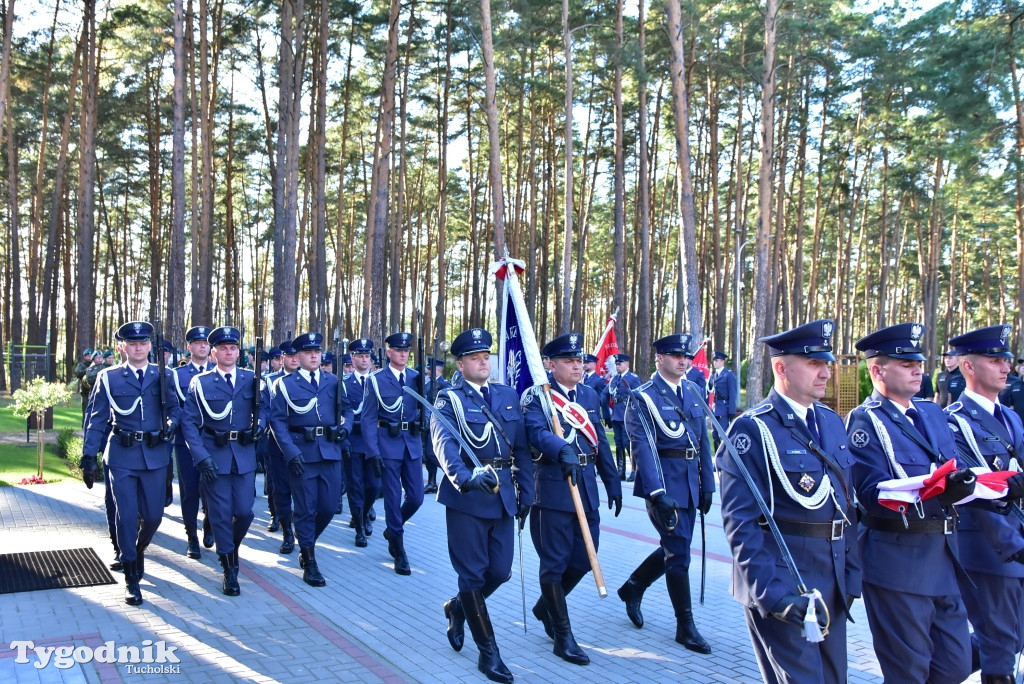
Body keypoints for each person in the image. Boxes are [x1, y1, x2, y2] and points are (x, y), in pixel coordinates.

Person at [717, 319, 860, 683]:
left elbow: (847, 505)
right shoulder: (753, 429)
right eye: (814, 363)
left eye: (826, 364)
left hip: (832, 581)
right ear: (781, 367)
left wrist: (852, 574)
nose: (826, 372)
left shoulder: (830, 422)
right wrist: (773, 596)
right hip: (784, 581)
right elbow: (740, 524)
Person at [847, 322, 973, 684]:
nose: (918, 368)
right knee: (908, 672)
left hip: (943, 557)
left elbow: (955, 467)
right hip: (899, 560)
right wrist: (929, 487)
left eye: (919, 362)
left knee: (955, 666)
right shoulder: (865, 420)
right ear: (877, 370)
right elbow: (871, 493)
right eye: (905, 364)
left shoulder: (932, 413)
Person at [432, 328, 534, 683]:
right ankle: (488, 653)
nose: (483, 362)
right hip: (468, 500)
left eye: (486, 356)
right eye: (475, 358)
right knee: (472, 575)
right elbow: (443, 444)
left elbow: (519, 447)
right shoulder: (449, 399)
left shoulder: (507, 395)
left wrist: (528, 489)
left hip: (504, 495)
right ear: (460, 365)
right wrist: (464, 478)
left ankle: (459, 607)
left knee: (501, 572)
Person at [523, 332, 621, 666]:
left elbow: (600, 444)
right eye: (569, 361)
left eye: (579, 360)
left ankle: (545, 606)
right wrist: (560, 447)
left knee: (582, 560)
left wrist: (612, 481)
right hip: (552, 490)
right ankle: (562, 635)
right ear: (550, 364)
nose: (577, 366)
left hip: (586, 490)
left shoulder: (590, 396)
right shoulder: (539, 397)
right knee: (554, 564)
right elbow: (536, 433)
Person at [618, 333, 714, 654]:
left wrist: (708, 484)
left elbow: (703, 443)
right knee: (678, 551)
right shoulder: (643, 397)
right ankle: (684, 626)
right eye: (675, 356)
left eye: (686, 356)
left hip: (689, 482)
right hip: (663, 484)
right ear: (659, 358)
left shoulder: (693, 391)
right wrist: (658, 492)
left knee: (677, 546)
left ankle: (634, 586)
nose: (683, 361)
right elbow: (643, 447)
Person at [945, 324, 1024, 683]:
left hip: (1018, 540)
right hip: (990, 550)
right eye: (995, 360)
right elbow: (975, 492)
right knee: (1001, 643)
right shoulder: (954, 422)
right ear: (969, 366)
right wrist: (1013, 545)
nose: (1005, 367)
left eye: (1005, 359)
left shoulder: (1010, 417)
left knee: (1013, 636)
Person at [80, 321, 180, 606]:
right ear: (122, 347)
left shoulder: (165, 375)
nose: (138, 347)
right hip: (122, 456)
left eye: (143, 343)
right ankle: (131, 575)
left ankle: (137, 550)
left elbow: (175, 407)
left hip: (154, 454)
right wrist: (89, 456)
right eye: (132, 343)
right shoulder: (109, 377)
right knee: (126, 515)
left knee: (152, 517)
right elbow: (96, 418)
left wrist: (173, 423)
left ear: (150, 346)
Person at [180, 326, 266, 596]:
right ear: (214, 352)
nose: (229, 352)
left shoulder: (252, 379)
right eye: (223, 349)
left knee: (244, 512)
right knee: (219, 514)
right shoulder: (201, 382)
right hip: (213, 454)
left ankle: (229, 545)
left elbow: (265, 409)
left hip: (242, 454)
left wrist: (260, 425)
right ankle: (229, 567)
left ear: (238, 352)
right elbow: (189, 423)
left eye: (233, 348)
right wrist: (200, 457)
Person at [269, 332, 351, 587]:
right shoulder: (285, 384)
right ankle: (309, 559)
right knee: (305, 508)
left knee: (327, 507)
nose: (314, 356)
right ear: (298, 356)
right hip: (302, 452)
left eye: (317, 352)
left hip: (329, 450)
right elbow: (277, 422)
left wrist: (345, 428)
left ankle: (306, 540)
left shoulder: (333, 381)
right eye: (308, 352)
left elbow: (347, 409)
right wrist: (290, 452)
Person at [362, 331, 424, 575]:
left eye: (407, 350)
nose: (404, 354)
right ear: (389, 353)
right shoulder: (376, 380)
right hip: (387, 444)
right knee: (391, 498)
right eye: (399, 350)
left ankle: (392, 527)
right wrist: (372, 452)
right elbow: (368, 419)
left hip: (412, 444)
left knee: (417, 497)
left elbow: (423, 408)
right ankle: (398, 549)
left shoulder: (416, 378)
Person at [172, 325, 216, 558]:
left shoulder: (219, 373)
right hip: (186, 443)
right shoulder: (177, 376)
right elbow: (175, 408)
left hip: (213, 442)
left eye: (206, 343)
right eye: (197, 343)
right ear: (189, 347)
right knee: (189, 491)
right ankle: (191, 536)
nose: (202, 346)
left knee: (211, 488)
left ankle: (209, 521)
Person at [341, 338, 381, 547]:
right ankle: (359, 528)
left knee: (374, 486)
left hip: (373, 443)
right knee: (355, 486)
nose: (364, 360)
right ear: (353, 358)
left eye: (367, 356)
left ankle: (365, 513)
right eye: (360, 356)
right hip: (353, 441)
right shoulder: (345, 384)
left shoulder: (378, 381)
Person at [263, 339, 300, 552]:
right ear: (282, 358)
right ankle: (287, 532)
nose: (295, 359)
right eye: (290, 356)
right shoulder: (270, 381)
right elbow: (266, 410)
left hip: (303, 444)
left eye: (298, 355)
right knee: (281, 490)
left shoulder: (308, 380)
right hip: (277, 444)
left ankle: (302, 529)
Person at [601, 353, 641, 481]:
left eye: (620, 364)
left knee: (627, 442)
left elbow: (637, 398)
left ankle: (634, 470)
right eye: (616, 364)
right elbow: (604, 396)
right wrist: (607, 415)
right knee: (618, 443)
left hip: (628, 415)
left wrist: (635, 416)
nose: (617, 366)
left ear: (627, 364)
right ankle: (621, 470)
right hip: (617, 416)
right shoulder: (615, 379)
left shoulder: (633, 379)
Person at [423, 358, 451, 494]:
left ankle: (452, 473)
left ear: (437, 370)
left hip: (439, 425)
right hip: (428, 424)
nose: (427, 371)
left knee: (431, 453)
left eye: (430, 369)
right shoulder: (429, 384)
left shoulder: (445, 385)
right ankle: (432, 482)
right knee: (428, 456)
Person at [709, 350, 739, 449]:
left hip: (724, 408)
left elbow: (732, 393)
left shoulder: (728, 374)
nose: (715, 362)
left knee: (724, 434)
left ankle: (726, 457)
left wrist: (731, 411)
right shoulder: (713, 376)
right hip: (715, 408)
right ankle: (718, 456)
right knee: (714, 434)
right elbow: (710, 391)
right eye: (714, 361)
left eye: (717, 360)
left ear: (722, 361)